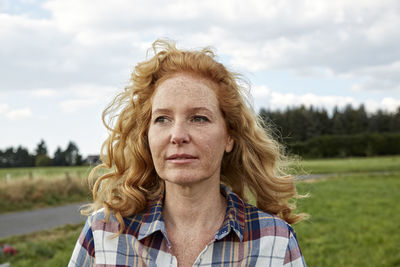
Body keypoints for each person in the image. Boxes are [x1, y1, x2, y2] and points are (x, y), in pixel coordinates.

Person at [69, 39, 307, 267]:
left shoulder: (274, 241)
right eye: (162, 119)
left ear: (229, 136)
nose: (178, 135)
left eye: (199, 118)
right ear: (146, 135)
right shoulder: (103, 233)